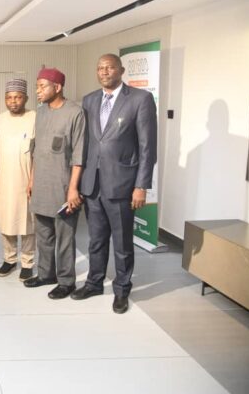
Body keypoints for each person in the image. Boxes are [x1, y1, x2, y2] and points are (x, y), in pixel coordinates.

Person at [72, 54, 157, 314]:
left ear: (121, 70)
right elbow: (87, 142)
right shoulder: (89, 100)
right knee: (96, 240)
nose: (104, 71)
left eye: (109, 67)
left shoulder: (140, 99)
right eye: (100, 68)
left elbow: (147, 146)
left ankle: (122, 289)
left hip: (122, 184)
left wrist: (141, 185)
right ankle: (95, 282)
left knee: (121, 243)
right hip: (93, 184)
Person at [25, 68, 85, 299]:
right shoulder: (40, 112)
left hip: (62, 186)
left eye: (42, 86)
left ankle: (66, 281)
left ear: (57, 87)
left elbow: (79, 155)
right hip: (41, 184)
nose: (38, 91)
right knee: (43, 235)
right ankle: (45, 273)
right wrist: (31, 179)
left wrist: (73, 189)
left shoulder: (75, 113)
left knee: (64, 237)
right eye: (37, 86)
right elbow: (35, 149)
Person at [0, 78, 36, 281]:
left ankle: (27, 262)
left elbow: (38, 153)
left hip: (26, 179)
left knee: (27, 223)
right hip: (3, 179)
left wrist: (33, 179)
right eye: (9, 98)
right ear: (4, 99)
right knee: (6, 220)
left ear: (25, 98)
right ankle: (9, 259)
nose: (13, 101)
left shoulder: (34, 117)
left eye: (18, 97)